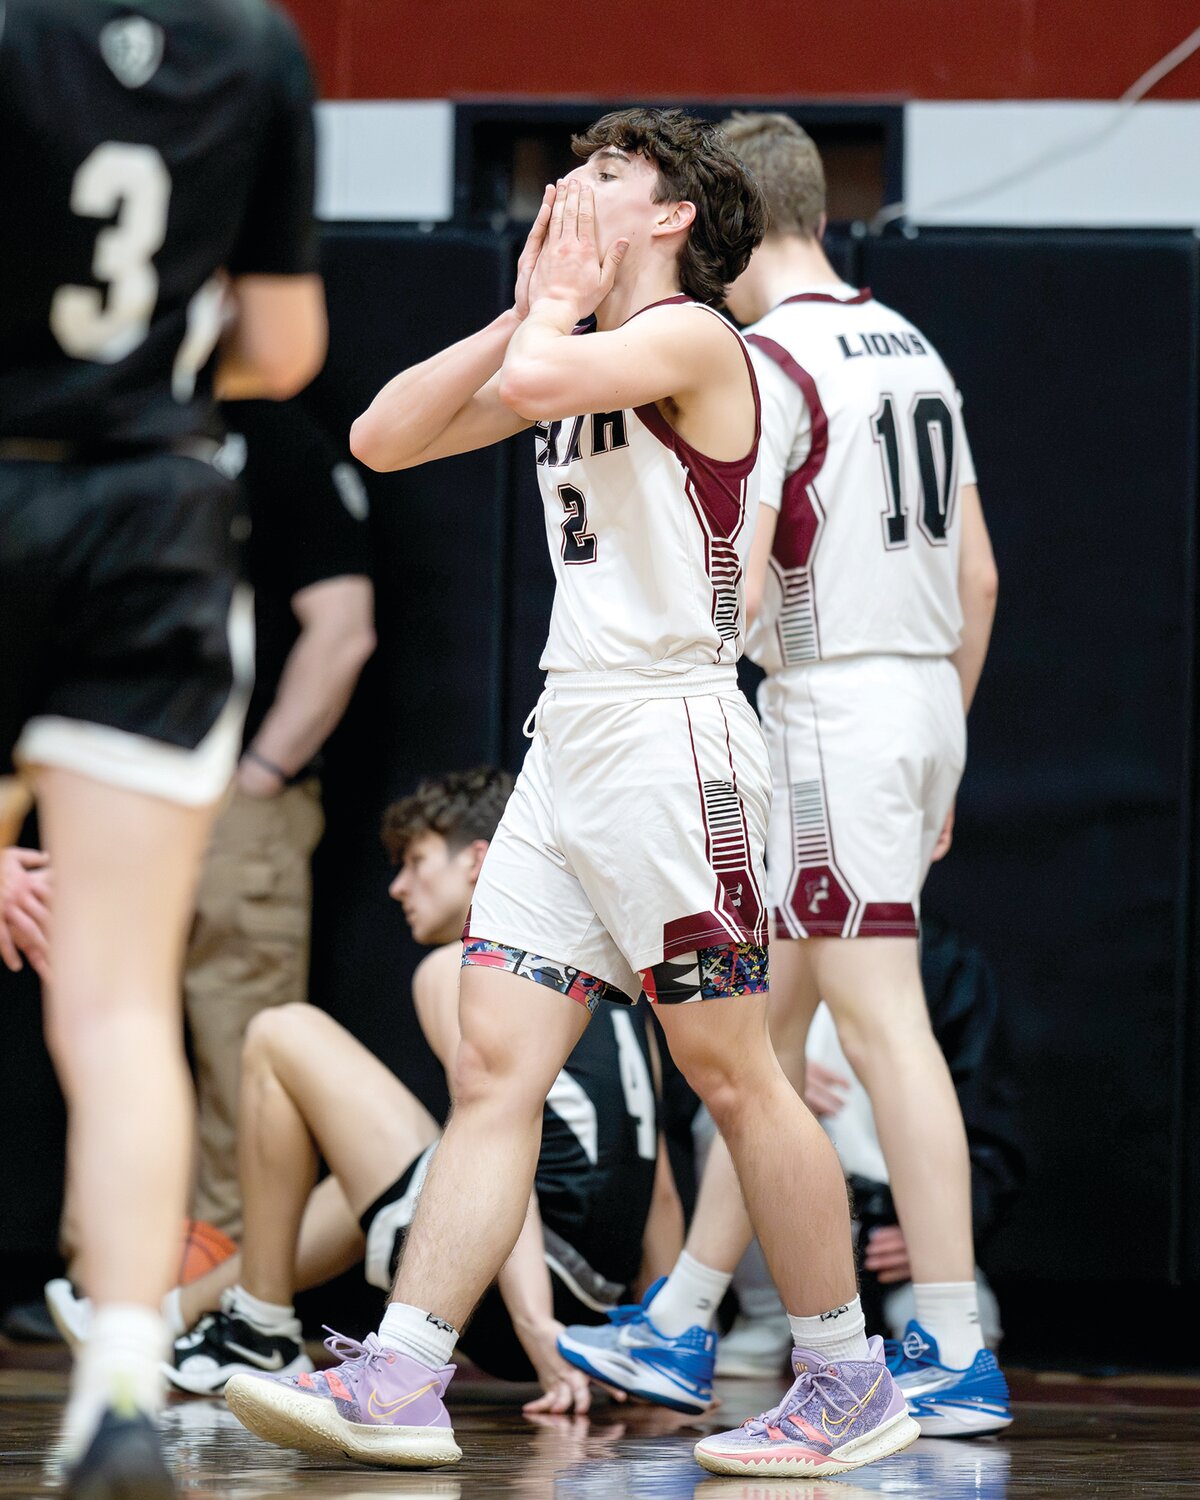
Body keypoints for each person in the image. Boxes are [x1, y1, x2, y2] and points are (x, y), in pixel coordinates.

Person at [224, 107, 919, 1480]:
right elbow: (379, 435)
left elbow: (544, 383)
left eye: (606, 173)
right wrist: (523, 314)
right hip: (571, 747)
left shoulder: (696, 339)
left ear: (670, 219)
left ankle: (848, 1377)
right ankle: (404, 1375)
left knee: (731, 1072)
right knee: (493, 1068)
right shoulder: (571, 349)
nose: (567, 189)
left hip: (677, 742)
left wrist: (543, 316)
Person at [597, 112, 1006, 1439]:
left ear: (729, 224)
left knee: (880, 1026)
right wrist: (940, 746)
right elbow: (982, 575)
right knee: (765, 1026)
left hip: (833, 702)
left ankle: (951, 1330)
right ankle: (685, 1313)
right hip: (919, 689)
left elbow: (750, 562)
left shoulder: (769, 359)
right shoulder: (918, 346)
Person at [0, 2, 326, 1494]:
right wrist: (142, 376)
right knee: (119, 1005)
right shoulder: (256, 50)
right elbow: (285, 342)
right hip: (152, 516)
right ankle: (122, 1385)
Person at [48, 768, 674, 1413]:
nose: (398, 885)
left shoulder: (459, 972)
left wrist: (536, 1328)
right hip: (598, 1313)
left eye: (417, 860)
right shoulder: (619, 990)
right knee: (406, 1166)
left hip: (507, 1305)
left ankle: (255, 1327)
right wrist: (661, 1342)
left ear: (478, 863)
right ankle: (175, 1310)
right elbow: (657, 1191)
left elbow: (499, 1157)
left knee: (281, 1031)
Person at [186, 399, 375, 1238]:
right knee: (112, 1030)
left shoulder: (275, 439)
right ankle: (110, 1277)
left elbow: (342, 630)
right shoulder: (121, 423)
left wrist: (259, 775)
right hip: (123, 784)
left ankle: (221, 1290)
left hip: (233, 795)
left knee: (241, 1046)